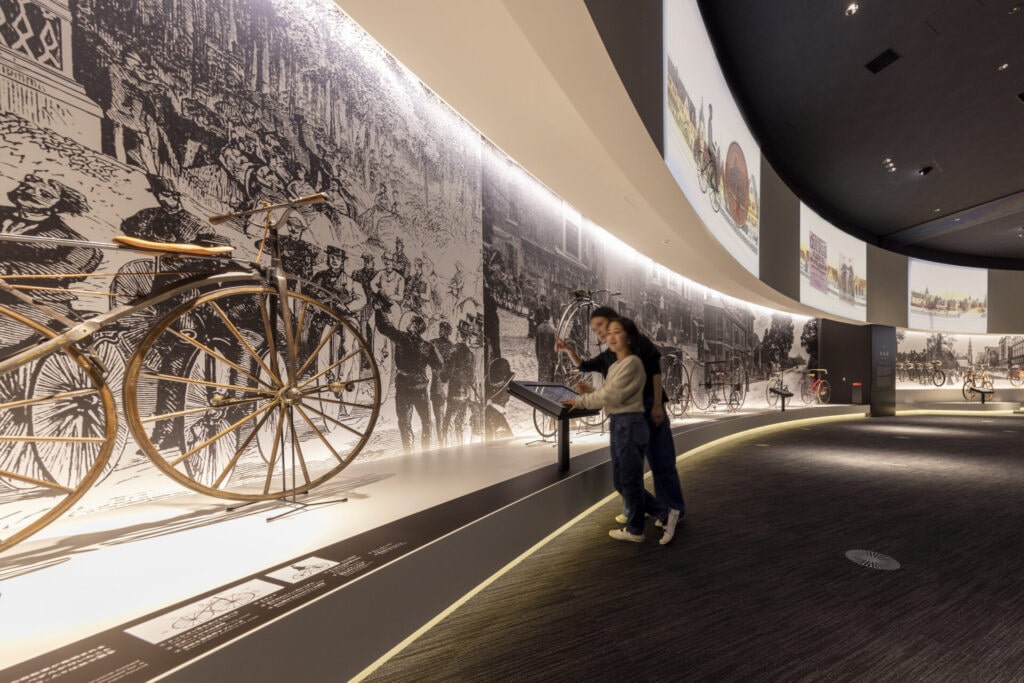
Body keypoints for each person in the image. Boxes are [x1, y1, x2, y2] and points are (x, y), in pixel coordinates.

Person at [556, 306, 684, 545]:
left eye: (603, 327)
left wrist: (656, 404)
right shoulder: (611, 357)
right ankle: (644, 513)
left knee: (660, 463)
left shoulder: (634, 352)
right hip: (623, 416)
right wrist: (570, 352)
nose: (601, 334)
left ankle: (668, 511)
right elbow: (589, 370)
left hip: (640, 411)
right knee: (626, 475)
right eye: (596, 330)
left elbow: (653, 373)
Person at [560, 318, 655, 543]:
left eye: (614, 332)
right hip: (621, 422)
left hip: (628, 423)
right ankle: (651, 513)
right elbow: (607, 392)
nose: (608, 337)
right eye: (606, 333)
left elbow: (610, 396)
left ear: (628, 338)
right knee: (623, 481)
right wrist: (589, 391)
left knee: (628, 480)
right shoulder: (615, 364)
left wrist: (582, 400)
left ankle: (639, 525)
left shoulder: (632, 363)